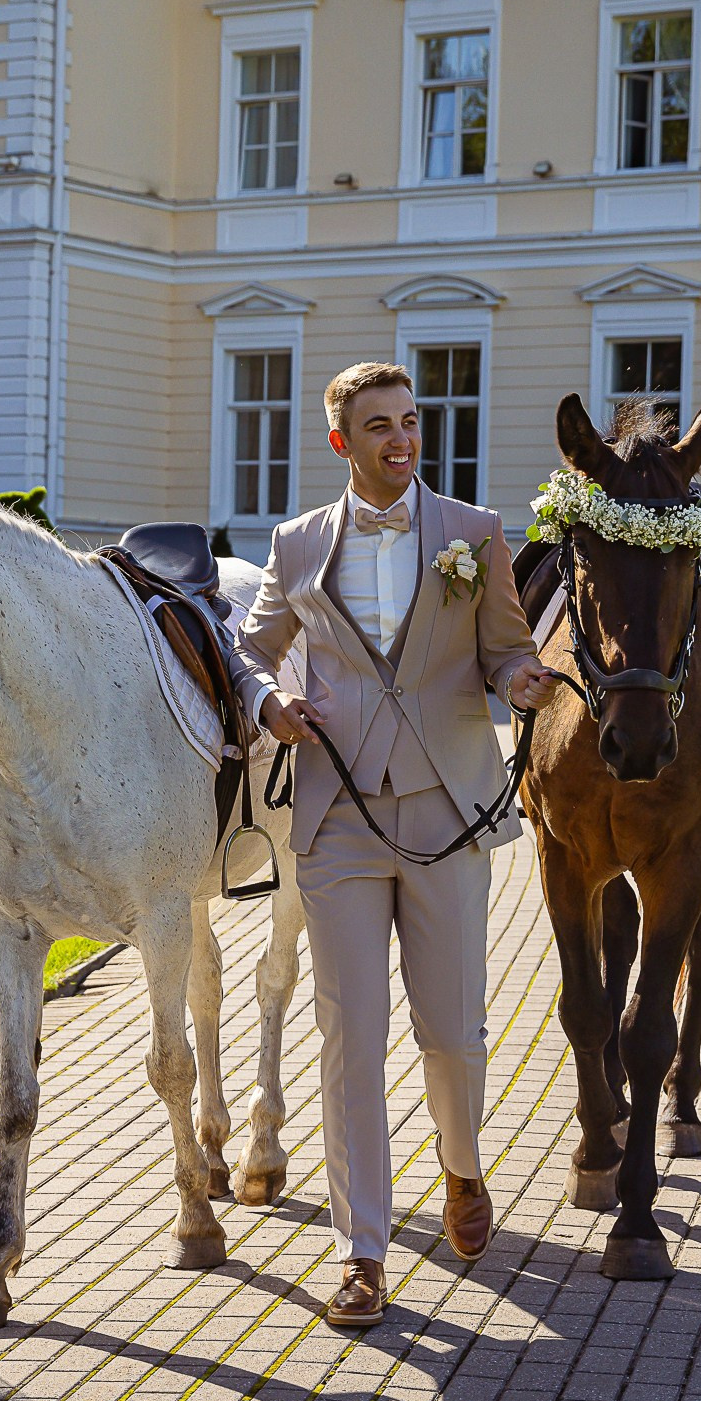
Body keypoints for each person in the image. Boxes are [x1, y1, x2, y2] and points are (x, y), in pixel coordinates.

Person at [233, 361, 558, 1330]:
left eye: (409, 422)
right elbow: (251, 649)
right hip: (335, 818)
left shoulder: (474, 533)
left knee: (451, 1033)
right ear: (342, 441)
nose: (400, 439)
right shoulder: (296, 544)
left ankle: (461, 1168)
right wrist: (267, 701)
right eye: (378, 425)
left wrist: (522, 678)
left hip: (447, 806)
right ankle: (361, 1249)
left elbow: (502, 644)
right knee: (349, 1040)